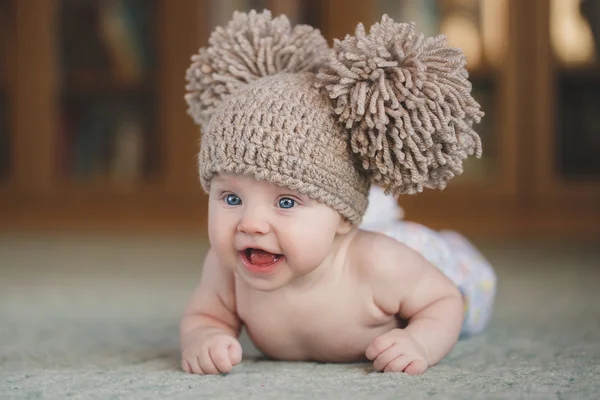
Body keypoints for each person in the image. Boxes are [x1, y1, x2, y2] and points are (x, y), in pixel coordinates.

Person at [179, 10, 496, 376]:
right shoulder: (225, 269)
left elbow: (444, 301)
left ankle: (429, 234)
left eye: (285, 202)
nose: (250, 223)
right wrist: (203, 338)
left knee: (469, 291)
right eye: (231, 199)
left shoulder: (381, 264)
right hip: (340, 223)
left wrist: (420, 342)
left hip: (433, 260)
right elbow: (204, 316)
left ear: (343, 217)